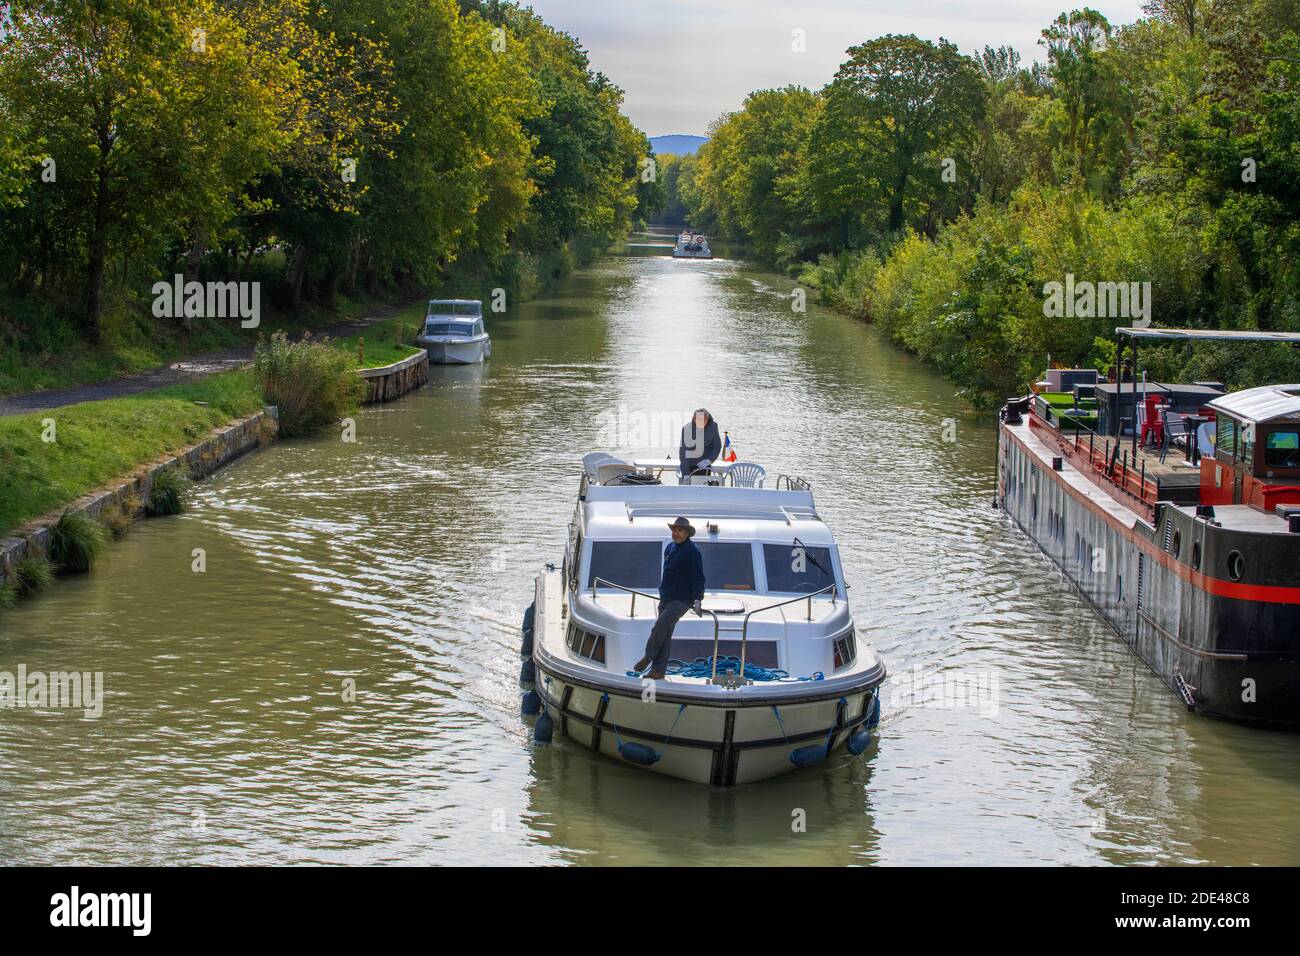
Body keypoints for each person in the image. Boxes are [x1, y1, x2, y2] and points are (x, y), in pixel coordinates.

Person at [634, 517, 706, 680]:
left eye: (680, 530)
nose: (676, 533)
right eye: (674, 529)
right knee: (665, 634)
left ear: (687, 533)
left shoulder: (693, 552)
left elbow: (698, 578)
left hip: (682, 600)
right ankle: (658, 671)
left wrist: (697, 600)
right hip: (666, 597)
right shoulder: (670, 548)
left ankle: (648, 657)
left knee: (659, 627)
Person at [679, 408, 721, 478]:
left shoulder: (713, 427)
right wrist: (685, 475)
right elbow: (683, 452)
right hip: (689, 464)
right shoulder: (687, 429)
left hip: (705, 464)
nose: (700, 423)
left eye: (703, 420)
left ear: (707, 419)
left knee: (704, 487)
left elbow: (717, 446)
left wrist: (709, 460)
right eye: (698, 420)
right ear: (694, 419)